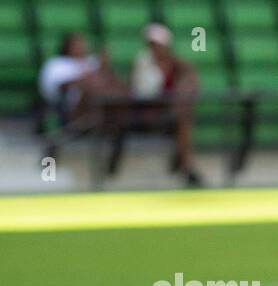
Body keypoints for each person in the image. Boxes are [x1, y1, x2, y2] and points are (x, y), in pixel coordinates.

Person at [130, 23, 202, 186]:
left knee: (182, 118)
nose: (156, 48)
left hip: (169, 114)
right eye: (153, 45)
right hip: (148, 114)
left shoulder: (177, 63)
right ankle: (186, 165)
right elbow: (146, 92)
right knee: (182, 119)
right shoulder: (143, 62)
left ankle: (185, 163)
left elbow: (192, 81)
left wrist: (184, 87)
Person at [38, 32, 129, 133]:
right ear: (67, 46)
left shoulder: (91, 61)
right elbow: (56, 88)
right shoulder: (56, 64)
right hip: (72, 104)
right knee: (91, 85)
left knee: (118, 85)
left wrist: (105, 65)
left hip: (100, 96)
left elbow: (111, 79)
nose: (82, 47)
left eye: (83, 44)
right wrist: (83, 80)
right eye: (77, 44)